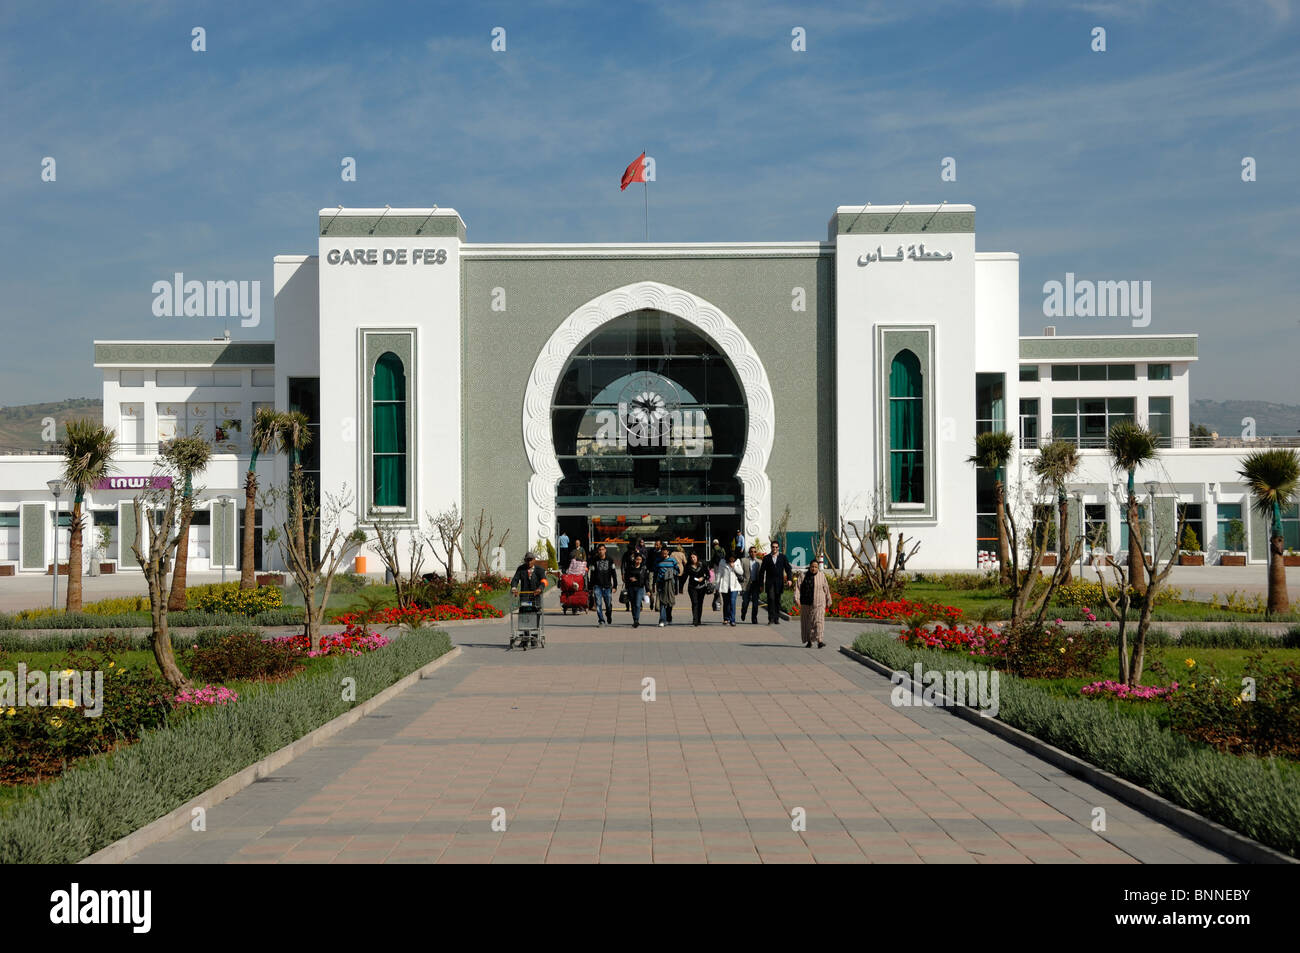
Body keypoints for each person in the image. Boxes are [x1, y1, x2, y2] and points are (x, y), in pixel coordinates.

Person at [798, 557, 833, 648]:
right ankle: (809, 641)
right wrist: (796, 598)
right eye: (812, 567)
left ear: (818, 568)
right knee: (808, 622)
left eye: (815, 567)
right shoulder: (803, 575)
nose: (813, 569)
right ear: (809, 567)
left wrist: (829, 599)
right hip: (806, 603)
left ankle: (819, 640)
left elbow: (826, 588)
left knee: (819, 621)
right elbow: (798, 588)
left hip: (819, 602)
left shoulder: (822, 576)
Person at [756, 540, 794, 624]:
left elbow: (788, 569)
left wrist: (789, 579)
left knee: (777, 600)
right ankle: (771, 618)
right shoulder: (766, 558)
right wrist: (761, 584)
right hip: (770, 583)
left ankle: (776, 618)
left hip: (779, 583)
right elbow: (762, 572)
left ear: (778, 548)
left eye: (776, 547)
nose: (775, 548)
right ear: (771, 547)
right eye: (773, 547)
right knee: (771, 599)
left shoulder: (783, 557)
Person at [588, 543, 619, 626]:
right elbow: (592, 574)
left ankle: (608, 615)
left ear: (605, 550)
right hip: (597, 586)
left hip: (608, 586)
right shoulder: (594, 560)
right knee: (598, 604)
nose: (601, 551)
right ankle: (601, 620)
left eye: (602, 549)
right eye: (599, 550)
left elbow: (614, 573)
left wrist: (615, 586)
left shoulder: (610, 560)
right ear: (598, 551)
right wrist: (590, 587)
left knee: (608, 604)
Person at [654, 544, 679, 626]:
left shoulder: (672, 560)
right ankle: (662, 620)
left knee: (670, 602)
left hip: (670, 583)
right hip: (661, 583)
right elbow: (655, 572)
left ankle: (669, 617)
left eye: (665, 553)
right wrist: (654, 584)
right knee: (662, 602)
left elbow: (677, 570)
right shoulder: (658, 560)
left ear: (668, 552)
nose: (663, 555)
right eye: (662, 553)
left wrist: (671, 573)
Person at [682, 551, 710, 625]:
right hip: (692, 587)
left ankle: (699, 619)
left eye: (694, 557)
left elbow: (708, 575)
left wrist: (703, 578)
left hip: (702, 587)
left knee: (700, 603)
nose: (692, 558)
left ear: (697, 557)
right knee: (694, 603)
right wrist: (680, 587)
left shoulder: (702, 564)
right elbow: (684, 577)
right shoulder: (688, 566)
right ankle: (695, 620)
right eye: (691, 557)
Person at [716, 550, 742, 626]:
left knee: (732, 602)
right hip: (725, 586)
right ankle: (726, 618)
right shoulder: (722, 562)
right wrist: (717, 586)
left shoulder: (737, 561)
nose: (732, 559)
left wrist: (734, 566)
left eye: (733, 558)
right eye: (731, 558)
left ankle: (732, 620)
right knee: (726, 603)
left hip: (734, 586)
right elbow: (719, 573)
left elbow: (741, 572)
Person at [624, 552, 650, 628]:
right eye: (637, 559)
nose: (638, 561)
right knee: (633, 604)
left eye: (640, 559)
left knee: (638, 604)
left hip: (640, 588)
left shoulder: (644, 568)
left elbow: (646, 580)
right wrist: (630, 579)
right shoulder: (630, 567)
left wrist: (648, 590)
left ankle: (636, 620)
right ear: (634, 559)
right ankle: (634, 619)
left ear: (642, 560)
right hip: (631, 587)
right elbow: (626, 577)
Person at [740, 545, 761, 624]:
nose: (753, 553)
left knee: (755, 603)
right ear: (749, 552)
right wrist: (741, 582)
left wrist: (762, 585)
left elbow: (762, 575)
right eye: (751, 552)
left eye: (755, 552)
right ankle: (743, 612)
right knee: (745, 602)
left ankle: (754, 618)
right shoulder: (744, 560)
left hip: (755, 584)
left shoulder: (759, 562)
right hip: (746, 584)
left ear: (756, 553)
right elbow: (740, 572)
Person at [709, 538, 726, 611]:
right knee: (721, 574)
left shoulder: (713, 549)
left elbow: (712, 557)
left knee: (716, 575)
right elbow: (724, 555)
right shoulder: (722, 548)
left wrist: (710, 565)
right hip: (722, 563)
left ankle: (717, 587)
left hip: (716, 564)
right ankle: (721, 585)